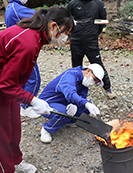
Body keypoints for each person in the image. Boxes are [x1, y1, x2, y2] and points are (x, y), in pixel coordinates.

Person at [0, 6, 75, 173]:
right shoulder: (28, 43)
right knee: (2, 137)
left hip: (9, 91)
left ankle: (15, 161)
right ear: (54, 26)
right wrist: (32, 100)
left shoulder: (37, 37)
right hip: (3, 89)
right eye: (66, 32)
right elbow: (5, 84)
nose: (66, 38)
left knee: (14, 127)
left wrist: (27, 98)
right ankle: (6, 169)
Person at [39, 63, 104, 143]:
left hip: (64, 101)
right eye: (94, 79)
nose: (93, 83)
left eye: (96, 82)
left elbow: (82, 97)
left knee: (85, 110)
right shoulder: (70, 75)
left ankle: (64, 121)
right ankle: (47, 129)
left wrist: (82, 105)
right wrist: (86, 104)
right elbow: (70, 93)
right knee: (64, 113)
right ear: (88, 71)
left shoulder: (84, 82)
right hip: (47, 103)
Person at [66, 0, 116, 99]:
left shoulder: (98, 3)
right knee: (76, 67)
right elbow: (66, 19)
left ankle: (108, 88)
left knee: (98, 64)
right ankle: (76, 89)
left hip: (91, 41)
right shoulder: (72, 3)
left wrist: (94, 33)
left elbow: (102, 21)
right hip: (76, 40)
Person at [4, 0, 41, 118]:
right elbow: (38, 16)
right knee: (34, 78)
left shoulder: (12, 7)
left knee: (22, 79)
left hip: (17, 48)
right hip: (22, 48)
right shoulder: (15, 8)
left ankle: (19, 105)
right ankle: (25, 107)